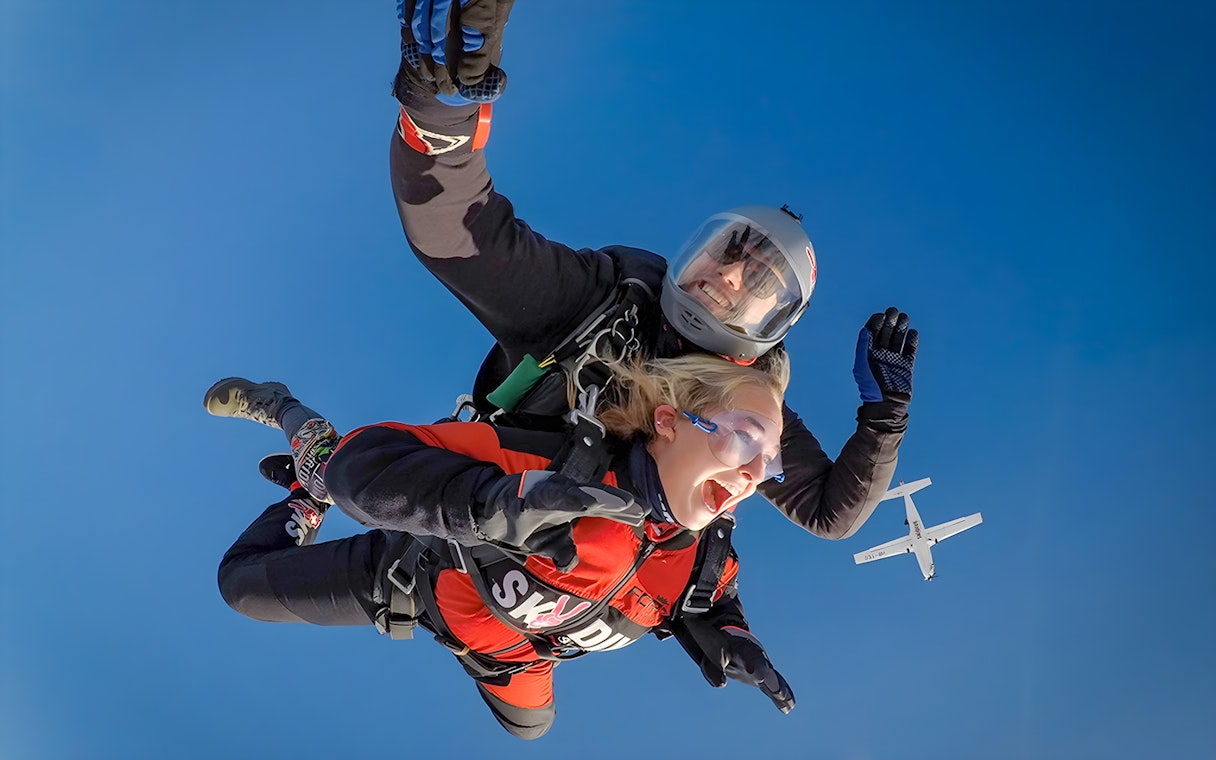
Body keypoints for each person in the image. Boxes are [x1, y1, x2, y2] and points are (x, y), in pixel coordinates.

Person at [382, 3, 920, 541]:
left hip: (577, 579)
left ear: (776, 325)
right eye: (728, 253)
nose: (731, 278)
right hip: (478, 512)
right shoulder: (598, 302)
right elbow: (456, 231)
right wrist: (442, 107)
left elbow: (829, 513)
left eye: (759, 283)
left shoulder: (748, 408)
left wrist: (884, 418)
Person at [208, 352, 796, 740]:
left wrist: (730, 635)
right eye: (744, 441)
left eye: (769, 464)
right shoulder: (557, 469)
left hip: (508, 654)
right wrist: (488, 502)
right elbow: (366, 462)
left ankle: (313, 481)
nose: (753, 475)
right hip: (416, 572)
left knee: (531, 729)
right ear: (669, 421)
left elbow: (712, 599)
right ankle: (290, 431)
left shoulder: (708, 554)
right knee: (241, 585)